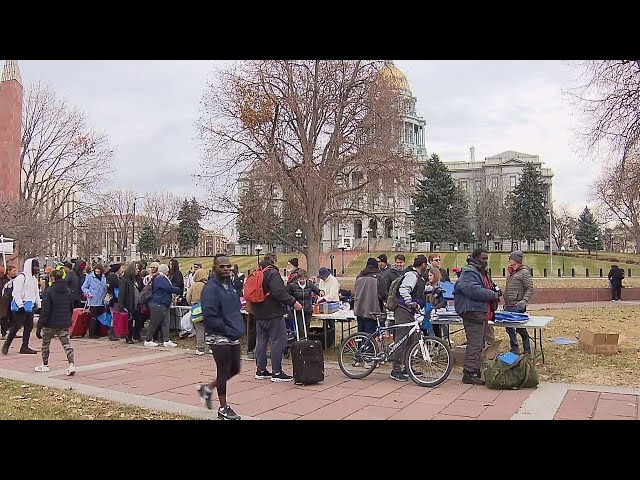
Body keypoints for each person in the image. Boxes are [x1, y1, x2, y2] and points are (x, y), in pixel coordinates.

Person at [197, 255, 246, 420]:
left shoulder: (229, 287)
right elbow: (210, 315)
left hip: (233, 333)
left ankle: (207, 389)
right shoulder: (210, 288)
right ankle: (223, 408)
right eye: (222, 266)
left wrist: (238, 327)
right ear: (214, 269)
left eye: (228, 266)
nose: (226, 269)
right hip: (218, 335)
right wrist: (226, 329)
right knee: (224, 369)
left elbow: (234, 308)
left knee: (235, 369)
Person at [453, 248, 502, 386]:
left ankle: (474, 370)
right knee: (475, 344)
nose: (485, 261)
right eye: (483, 259)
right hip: (472, 312)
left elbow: (488, 287)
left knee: (478, 344)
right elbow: (473, 290)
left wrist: (495, 290)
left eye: (487, 259)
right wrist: (493, 295)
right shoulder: (468, 273)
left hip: (480, 313)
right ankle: (469, 373)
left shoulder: (482, 272)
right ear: (475, 258)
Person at [251, 252, 302, 382]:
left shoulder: (258, 272)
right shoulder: (272, 273)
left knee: (261, 341)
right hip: (272, 313)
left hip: (258, 312)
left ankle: (260, 370)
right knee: (278, 341)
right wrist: (293, 302)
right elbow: (278, 292)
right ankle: (277, 372)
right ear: (273, 260)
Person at [389, 255, 429, 382]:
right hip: (403, 310)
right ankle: (396, 370)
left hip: (409, 311)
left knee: (412, 340)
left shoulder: (417, 277)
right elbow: (404, 289)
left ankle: (407, 367)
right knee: (402, 339)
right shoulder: (412, 275)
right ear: (423, 265)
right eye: (426, 265)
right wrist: (409, 302)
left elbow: (418, 290)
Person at [34, 269, 76, 376]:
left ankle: (45, 364)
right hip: (63, 321)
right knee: (66, 344)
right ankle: (71, 364)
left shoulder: (49, 291)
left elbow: (45, 310)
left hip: (50, 322)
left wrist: (40, 325)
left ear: (52, 278)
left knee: (45, 344)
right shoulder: (67, 290)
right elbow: (70, 306)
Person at [2, 258, 41, 355]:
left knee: (29, 326)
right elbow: (16, 292)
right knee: (16, 326)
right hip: (21, 307)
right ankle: (6, 345)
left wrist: (38, 305)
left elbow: (36, 293)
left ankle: (24, 346)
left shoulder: (34, 279)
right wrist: (20, 305)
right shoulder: (21, 278)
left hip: (30, 306)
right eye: (35, 267)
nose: (37, 269)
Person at [504, 250, 534, 356]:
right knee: (509, 329)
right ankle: (514, 348)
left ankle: (527, 350)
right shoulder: (511, 272)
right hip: (508, 305)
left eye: (511, 259)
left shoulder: (524, 273)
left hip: (517, 306)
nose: (509, 261)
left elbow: (529, 288)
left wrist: (524, 301)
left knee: (521, 329)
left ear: (516, 260)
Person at [144, 264, 181, 348]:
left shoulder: (158, 278)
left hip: (163, 304)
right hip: (158, 303)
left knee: (166, 323)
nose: (168, 272)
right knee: (154, 322)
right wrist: (179, 289)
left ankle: (166, 340)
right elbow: (169, 288)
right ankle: (148, 339)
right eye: (167, 271)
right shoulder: (160, 278)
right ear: (164, 271)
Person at [353, 258, 385, 335]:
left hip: (359, 310)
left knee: (360, 335)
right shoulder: (379, 277)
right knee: (370, 336)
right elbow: (383, 294)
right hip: (372, 310)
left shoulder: (359, 277)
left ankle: (359, 347)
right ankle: (369, 347)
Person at [286, 269, 320, 335]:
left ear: (306, 278)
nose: (302, 281)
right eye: (300, 279)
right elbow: (288, 296)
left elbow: (317, 291)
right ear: (298, 278)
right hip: (298, 311)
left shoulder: (309, 284)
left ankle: (306, 341)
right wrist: (293, 304)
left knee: (307, 327)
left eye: (303, 279)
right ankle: (301, 341)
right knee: (300, 328)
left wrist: (321, 292)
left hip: (307, 309)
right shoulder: (293, 286)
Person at [118, 262, 143, 344]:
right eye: (136, 269)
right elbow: (121, 294)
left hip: (137, 304)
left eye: (138, 269)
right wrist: (121, 306)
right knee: (129, 321)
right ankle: (128, 337)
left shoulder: (139, 279)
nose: (138, 270)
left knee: (139, 320)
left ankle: (137, 334)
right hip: (128, 303)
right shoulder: (125, 279)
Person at [81, 264, 108, 338]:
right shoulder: (90, 277)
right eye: (96, 269)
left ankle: (98, 332)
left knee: (100, 317)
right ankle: (92, 333)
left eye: (98, 269)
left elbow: (105, 287)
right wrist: (88, 293)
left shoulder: (103, 277)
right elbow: (84, 287)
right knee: (94, 317)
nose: (97, 271)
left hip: (101, 300)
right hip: (93, 300)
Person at [187, 267, 208, 355]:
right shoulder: (207, 285)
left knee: (199, 328)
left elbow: (188, 297)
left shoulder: (194, 285)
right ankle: (211, 347)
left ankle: (200, 348)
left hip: (196, 307)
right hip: (206, 308)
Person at [425, 267, 448, 339]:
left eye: (430, 275)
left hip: (438, 312)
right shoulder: (427, 285)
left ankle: (439, 343)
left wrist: (435, 308)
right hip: (428, 311)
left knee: (437, 329)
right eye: (428, 275)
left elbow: (443, 301)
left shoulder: (441, 286)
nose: (429, 277)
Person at [0, 265, 18, 340]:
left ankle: (12, 332)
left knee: (13, 317)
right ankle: (3, 333)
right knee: (4, 317)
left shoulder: (16, 280)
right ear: (8, 271)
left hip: (13, 300)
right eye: (13, 271)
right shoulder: (3, 280)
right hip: (4, 301)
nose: (15, 273)